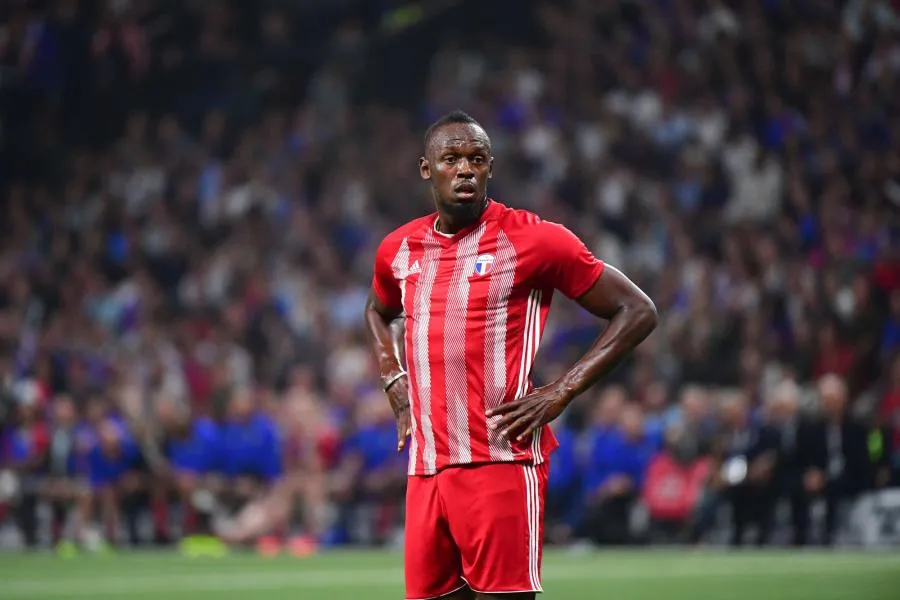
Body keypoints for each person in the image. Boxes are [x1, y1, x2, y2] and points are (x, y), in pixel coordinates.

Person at [364, 110, 657, 600]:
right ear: (425, 168)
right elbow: (378, 311)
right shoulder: (399, 248)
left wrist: (562, 391)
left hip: (499, 459)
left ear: (490, 169)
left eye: (476, 159)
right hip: (427, 466)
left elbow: (637, 309)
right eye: (451, 159)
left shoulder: (533, 239)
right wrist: (394, 379)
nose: (464, 169)